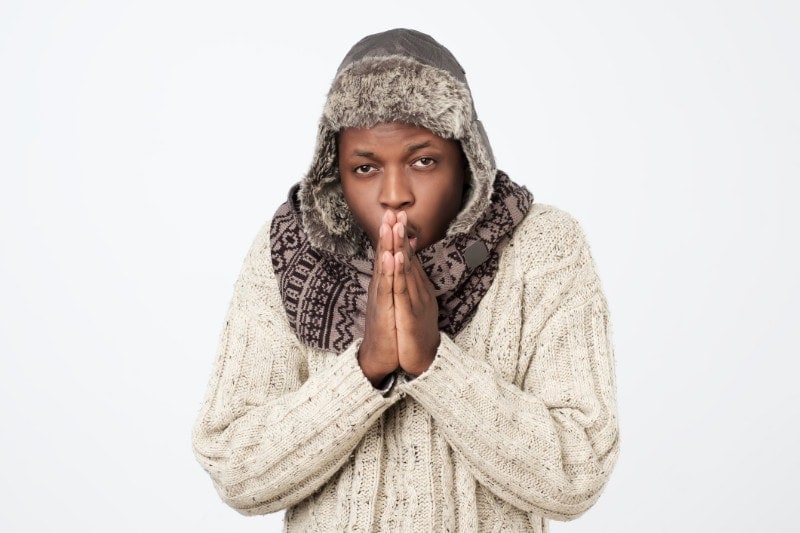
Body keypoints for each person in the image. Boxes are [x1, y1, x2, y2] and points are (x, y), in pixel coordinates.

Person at [192, 28, 619, 532]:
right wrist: (365, 368)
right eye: (366, 167)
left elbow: (578, 471)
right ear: (335, 174)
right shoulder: (288, 250)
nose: (395, 194)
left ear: (468, 160)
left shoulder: (541, 246)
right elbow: (237, 470)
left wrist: (435, 362)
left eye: (423, 161)